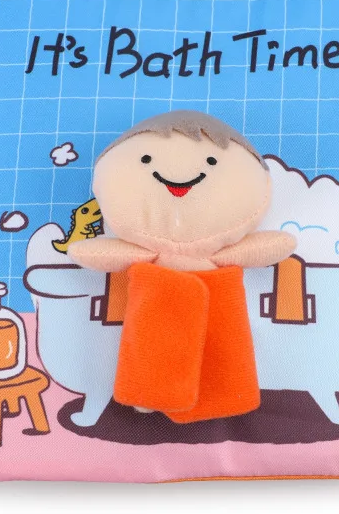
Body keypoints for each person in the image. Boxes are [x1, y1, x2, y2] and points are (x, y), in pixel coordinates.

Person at [68, 110, 295, 422]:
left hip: (213, 311)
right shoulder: (150, 248)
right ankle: (152, 393)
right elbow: (101, 253)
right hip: (158, 309)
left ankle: (212, 395)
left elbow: (265, 247)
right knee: (156, 352)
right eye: (145, 159)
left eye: (212, 161)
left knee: (216, 359)